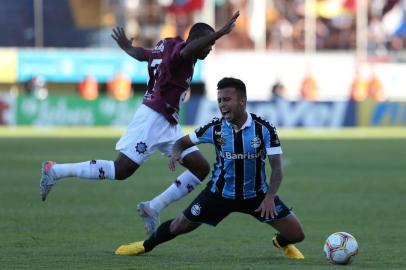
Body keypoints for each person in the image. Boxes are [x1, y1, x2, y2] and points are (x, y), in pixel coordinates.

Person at [39, 12, 241, 236]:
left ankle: (153, 206)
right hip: (153, 118)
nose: (209, 49)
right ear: (195, 41)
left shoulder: (166, 46)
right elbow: (186, 51)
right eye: (208, 44)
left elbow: (143, 54)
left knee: (201, 168)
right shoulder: (182, 53)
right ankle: (55, 171)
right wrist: (221, 33)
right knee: (121, 169)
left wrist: (127, 47)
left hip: (168, 122)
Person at [115, 77, 305, 259]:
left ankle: (281, 242)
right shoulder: (214, 128)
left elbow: (277, 168)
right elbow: (181, 142)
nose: (222, 104)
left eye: (227, 99)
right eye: (220, 100)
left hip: (256, 196)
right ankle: (145, 245)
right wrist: (176, 153)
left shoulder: (264, 129)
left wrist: (270, 197)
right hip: (218, 194)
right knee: (180, 225)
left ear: (242, 101)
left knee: (297, 234)